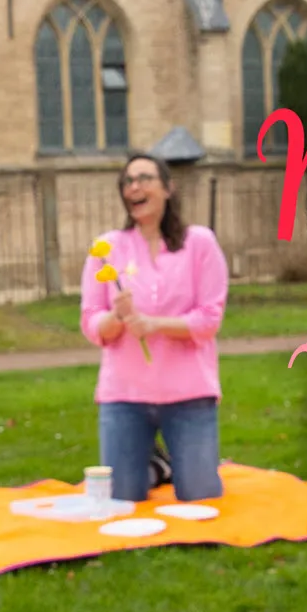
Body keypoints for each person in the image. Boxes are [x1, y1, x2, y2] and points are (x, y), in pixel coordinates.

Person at [80, 153, 229, 502]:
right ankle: (155, 468)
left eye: (145, 177)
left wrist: (153, 324)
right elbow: (91, 321)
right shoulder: (106, 249)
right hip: (125, 394)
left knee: (199, 497)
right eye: (128, 181)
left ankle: (172, 464)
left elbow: (209, 319)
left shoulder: (200, 243)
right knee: (121, 499)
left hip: (188, 392)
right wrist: (116, 319)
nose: (135, 186)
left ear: (167, 188)